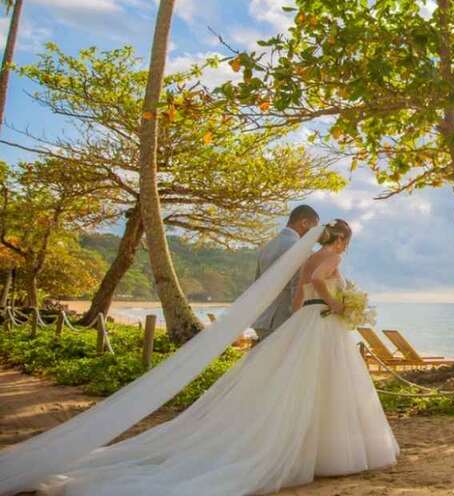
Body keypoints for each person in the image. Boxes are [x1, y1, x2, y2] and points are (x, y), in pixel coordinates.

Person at [33, 219, 399, 495]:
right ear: (340, 239)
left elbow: (296, 300)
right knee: (328, 386)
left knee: (300, 385)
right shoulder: (329, 257)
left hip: (305, 320)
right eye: (346, 241)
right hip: (322, 322)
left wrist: (321, 306)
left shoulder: (304, 258)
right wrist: (337, 304)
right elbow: (319, 281)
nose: (345, 247)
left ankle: (313, 447)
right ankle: (328, 452)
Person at [252, 205, 320, 340]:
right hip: (282, 320)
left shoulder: (268, 246)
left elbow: (257, 284)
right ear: (304, 222)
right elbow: (297, 287)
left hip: (262, 319)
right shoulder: (299, 249)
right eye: (314, 227)